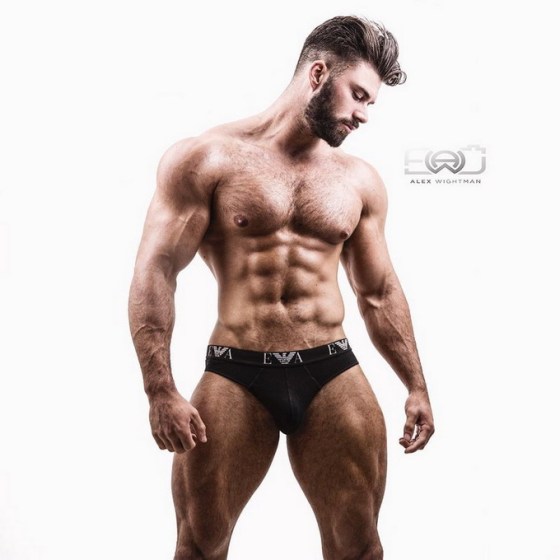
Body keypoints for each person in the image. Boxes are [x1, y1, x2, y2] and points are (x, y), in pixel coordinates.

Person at [128, 14, 435, 560]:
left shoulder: (358, 181)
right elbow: (157, 270)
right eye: (358, 95)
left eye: (371, 103)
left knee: (360, 547)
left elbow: (379, 292)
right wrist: (159, 389)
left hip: (332, 368)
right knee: (198, 544)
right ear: (318, 74)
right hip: (236, 371)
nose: (364, 114)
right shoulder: (207, 159)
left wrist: (415, 384)